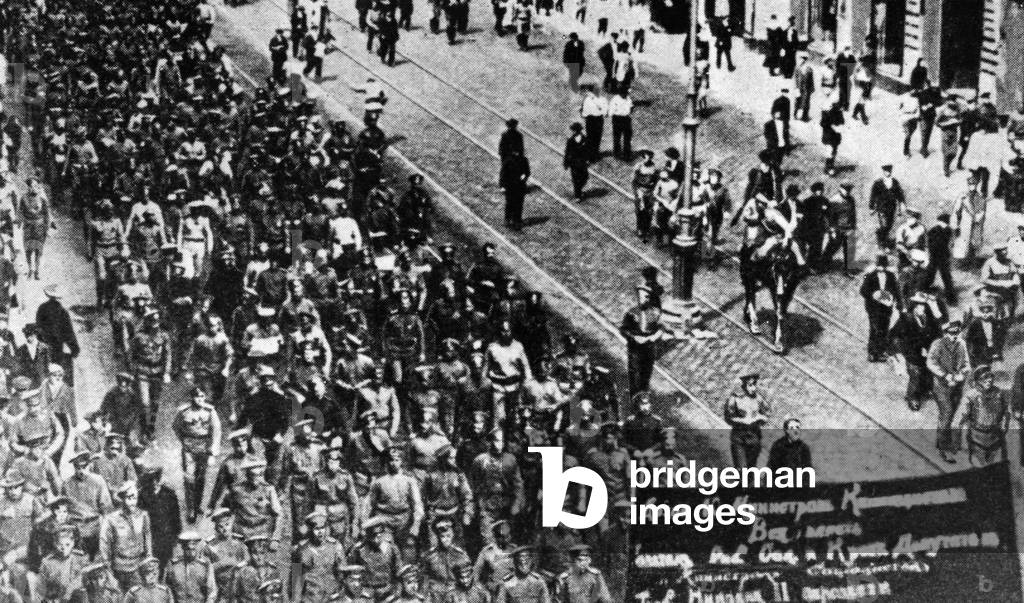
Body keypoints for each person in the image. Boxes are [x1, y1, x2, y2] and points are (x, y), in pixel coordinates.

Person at [172, 385, 221, 523]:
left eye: (202, 397)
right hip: (189, 449)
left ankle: (198, 504)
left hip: (204, 448)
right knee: (189, 479)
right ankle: (191, 509)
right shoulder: (184, 412)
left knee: (201, 478)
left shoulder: (210, 411)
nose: (199, 399)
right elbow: (176, 427)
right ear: (192, 398)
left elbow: (216, 431)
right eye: (197, 396)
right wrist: (184, 440)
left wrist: (213, 452)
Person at [926, 317, 970, 463]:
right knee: (946, 413)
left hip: (957, 385)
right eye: (951, 333)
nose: (954, 335)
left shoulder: (961, 344)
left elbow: (966, 364)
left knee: (951, 415)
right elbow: (931, 363)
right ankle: (943, 448)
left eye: (957, 332)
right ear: (945, 333)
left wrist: (961, 374)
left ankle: (945, 441)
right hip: (941, 386)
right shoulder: (937, 344)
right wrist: (945, 375)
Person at [890, 292, 941, 410]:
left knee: (927, 372)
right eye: (919, 306)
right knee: (915, 375)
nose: (921, 308)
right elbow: (894, 335)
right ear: (913, 306)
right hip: (912, 353)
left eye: (923, 306)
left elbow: (936, 331)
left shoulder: (928, 317)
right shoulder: (905, 319)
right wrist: (902, 352)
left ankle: (925, 390)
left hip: (927, 353)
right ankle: (912, 397)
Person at [960, 365, 1009, 466]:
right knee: (979, 469)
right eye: (984, 378)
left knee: (997, 468)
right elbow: (961, 417)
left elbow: (1006, 412)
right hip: (977, 438)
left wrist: (1005, 425)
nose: (989, 380)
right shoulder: (971, 395)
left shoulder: (998, 393)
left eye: (990, 377)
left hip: (995, 437)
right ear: (977, 380)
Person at [860, 254, 901, 362]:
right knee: (874, 329)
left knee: (884, 329)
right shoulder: (870, 275)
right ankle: (872, 353)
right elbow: (863, 290)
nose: (881, 268)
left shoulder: (891, 276)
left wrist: (898, 302)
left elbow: (896, 290)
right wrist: (874, 295)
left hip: (886, 308)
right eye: (879, 266)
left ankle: (881, 351)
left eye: (883, 266)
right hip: (873, 308)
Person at [723, 372, 769, 469]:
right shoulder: (735, 398)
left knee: (751, 469)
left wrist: (761, 418)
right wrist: (743, 421)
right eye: (750, 385)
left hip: (754, 437)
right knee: (741, 469)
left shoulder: (758, 399)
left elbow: (767, 412)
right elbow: (728, 417)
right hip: (739, 438)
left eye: (755, 385)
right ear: (744, 385)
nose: (753, 388)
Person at [35, 285, 79, 378]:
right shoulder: (62, 311)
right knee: (56, 368)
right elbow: (69, 332)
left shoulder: (42, 308)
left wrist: (41, 339)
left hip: (44, 344)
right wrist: (74, 349)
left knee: (44, 369)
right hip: (57, 345)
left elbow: (38, 326)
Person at [868, 164, 905, 248]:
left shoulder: (895, 182)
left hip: (892, 207)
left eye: (889, 171)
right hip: (881, 208)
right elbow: (873, 195)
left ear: (891, 171)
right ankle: (883, 243)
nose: (888, 173)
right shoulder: (878, 182)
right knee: (884, 225)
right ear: (883, 171)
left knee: (889, 225)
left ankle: (883, 238)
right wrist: (871, 207)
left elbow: (899, 194)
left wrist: (902, 203)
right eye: (886, 171)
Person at [828, 181, 858, 275]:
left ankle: (848, 269)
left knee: (850, 249)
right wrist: (832, 230)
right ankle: (824, 262)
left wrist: (853, 226)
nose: (848, 191)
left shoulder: (851, 199)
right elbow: (830, 217)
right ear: (840, 188)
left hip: (849, 228)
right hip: (838, 228)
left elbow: (853, 213)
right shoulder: (834, 200)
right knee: (833, 246)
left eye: (849, 189)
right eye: (846, 189)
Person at [500, 150, 531, 230]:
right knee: (509, 204)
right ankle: (507, 219)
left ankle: (517, 221)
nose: (517, 153)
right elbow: (503, 174)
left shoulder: (524, 160)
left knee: (519, 204)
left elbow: (528, 171)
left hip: (520, 186)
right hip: (509, 186)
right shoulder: (508, 161)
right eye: (515, 151)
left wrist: (525, 175)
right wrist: (502, 186)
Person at [580, 87, 607, 162]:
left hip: (597, 119)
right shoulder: (588, 100)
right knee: (591, 137)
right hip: (591, 120)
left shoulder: (602, 99)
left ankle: (595, 154)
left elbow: (605, 111)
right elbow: (585, 112)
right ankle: (589, 155)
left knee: (597, 137)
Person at [564, 123, 589, 203]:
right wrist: (566, 163)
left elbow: (588, 150)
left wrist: (588, 159)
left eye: (574, 130)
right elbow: (567, 152)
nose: (573, 132)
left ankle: (579, 189)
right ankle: (577, 195)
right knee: (575, 179)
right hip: (574, 163)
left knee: (585, 177)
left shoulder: (585, 139)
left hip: (582, 162)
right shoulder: (570, 140)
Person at [608, 90, 633, 161]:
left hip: (626, 119)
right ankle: (617, 154)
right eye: (623, 93)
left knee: (627, 138)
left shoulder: (628, 98)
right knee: (617, 137)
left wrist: (628, 113)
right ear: (620, 93)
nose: (625, 94)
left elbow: (631, 107)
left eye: (626, 93)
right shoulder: (615, 99)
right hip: (617, 119)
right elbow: (611, 111)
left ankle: (627, 154)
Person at [899, 90, 921, 157]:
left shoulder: (917, 99)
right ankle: (906, 150)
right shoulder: (904, 97)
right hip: (906, 117)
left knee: (912, 131)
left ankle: (906, 136)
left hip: (913, 117)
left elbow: (918, 108)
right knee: (908, 135)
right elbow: (900, 107)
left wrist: (917, 116)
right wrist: (901, 115)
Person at [793, 54, 814, 122]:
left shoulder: (809, 69)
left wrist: (812, 88)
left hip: (806, 88)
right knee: (797, 101)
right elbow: (795, 79)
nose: (802, 60)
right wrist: (796, 88)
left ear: (805, 60)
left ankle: (805, 116)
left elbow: (811, 79)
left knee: (806, 102)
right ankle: (795, 115)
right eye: (801, 59)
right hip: (799, 88)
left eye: (804, 59)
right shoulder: (797, 68)